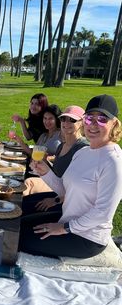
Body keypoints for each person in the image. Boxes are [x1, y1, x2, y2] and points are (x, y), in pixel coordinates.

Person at [18, 94, 122, 259]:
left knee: (17, 239)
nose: (93, 125)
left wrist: (63, 228)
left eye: (102, 119)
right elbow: (64, 188)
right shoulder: (83, 152)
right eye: (89, 119)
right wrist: (44, 172)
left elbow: (103, 212)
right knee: (15, 225)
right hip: (66, 218)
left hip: (87, 237)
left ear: (114, 124)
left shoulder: (114, 160)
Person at [22, 105, 88, 214]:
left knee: (23, 210)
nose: (66, 123)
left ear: (82, 123)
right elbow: (58, 176)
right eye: (63, 119)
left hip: (68, 205)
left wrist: (56, 200)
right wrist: (44, 166)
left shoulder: (82, 148)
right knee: (22, 202)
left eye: (72, 120)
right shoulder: (62, 146)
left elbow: (82, 191)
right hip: (57, 191)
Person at [14, 104, 62, 179]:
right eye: (45, 118)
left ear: (56, 119)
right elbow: (33, 154)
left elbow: (64, 156)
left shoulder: (61, 134)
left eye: (50, 119)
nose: (47, 121)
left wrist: (49, 158)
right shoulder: (43, 136)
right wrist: (20, 141)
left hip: (50, 175)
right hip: (36, 172)